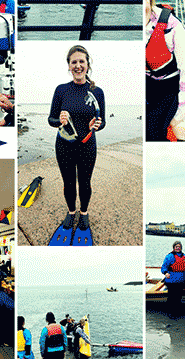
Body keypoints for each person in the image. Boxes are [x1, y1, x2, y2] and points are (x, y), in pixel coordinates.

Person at [48, 45, 104, 245]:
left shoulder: (97, 91)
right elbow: (51, 120)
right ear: (69, 66)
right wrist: (60, 119)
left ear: (88, 65)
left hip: (87, 144)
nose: (78, 65)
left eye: (82, 61)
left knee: (85, 183)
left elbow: (102, 121)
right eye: (74, 62)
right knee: (68, 182)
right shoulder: (61, 90)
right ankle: (71, 212)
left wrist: (96, 124)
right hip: (64, 144)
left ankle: (84, 213)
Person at [145, 0, 185, 141]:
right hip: (146, 85)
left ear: (150, 0)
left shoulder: (173, 27)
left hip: (169, 87)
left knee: (152, 130)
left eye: (143, 0)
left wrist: (178, 115)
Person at [161, 241, 185, 318]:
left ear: (181, 248)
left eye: (179, 246)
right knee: (171, 297)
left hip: (181, 280)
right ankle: (170, 312)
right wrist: (165, 273)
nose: (178, 248)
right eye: (176, 246)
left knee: (178, 297)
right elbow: (163, 267)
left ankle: (177, 312)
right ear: (174, 248)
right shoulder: (169, 256)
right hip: (171, 280)